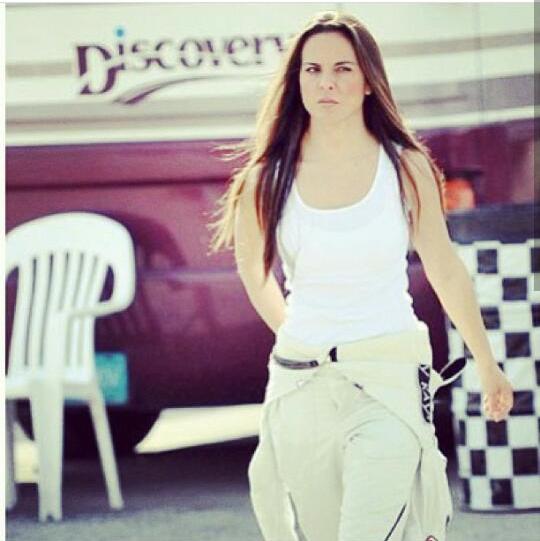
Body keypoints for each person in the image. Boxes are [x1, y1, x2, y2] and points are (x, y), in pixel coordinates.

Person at [208, 10, 514, 541]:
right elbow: (252, 270)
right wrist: (296, 335)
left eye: (343, 69)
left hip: (389, 375)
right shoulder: (266, 178)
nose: (326, 82)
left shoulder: (405, 166)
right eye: (313, 70)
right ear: (297, 80)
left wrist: (486, 362)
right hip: (301, 383)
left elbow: (443, 266)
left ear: (369, 80)